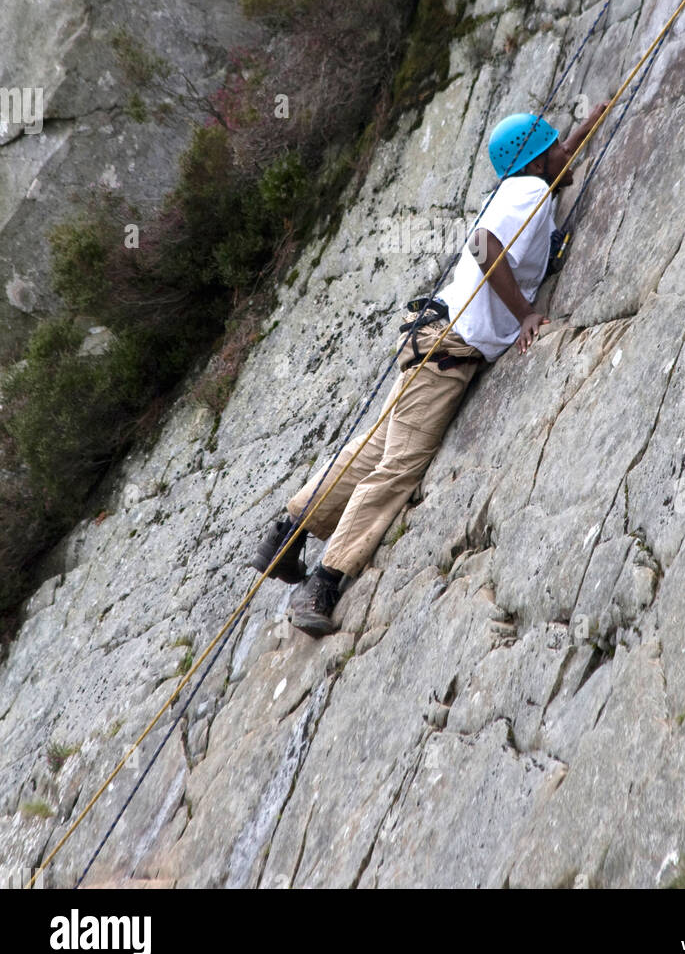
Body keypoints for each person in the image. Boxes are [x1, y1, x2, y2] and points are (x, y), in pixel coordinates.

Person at [250, 103, 608, 636]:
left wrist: (593, 119)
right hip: (448, 353)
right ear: (537, 162)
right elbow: (486, 247)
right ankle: (322, 582)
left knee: (373, 447)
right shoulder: (530, 192)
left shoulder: (522, 187)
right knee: (398, 467)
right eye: (556, 146)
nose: (566, 151)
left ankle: (286, 535)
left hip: (430, 338)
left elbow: (555, 163)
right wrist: (526, 314)